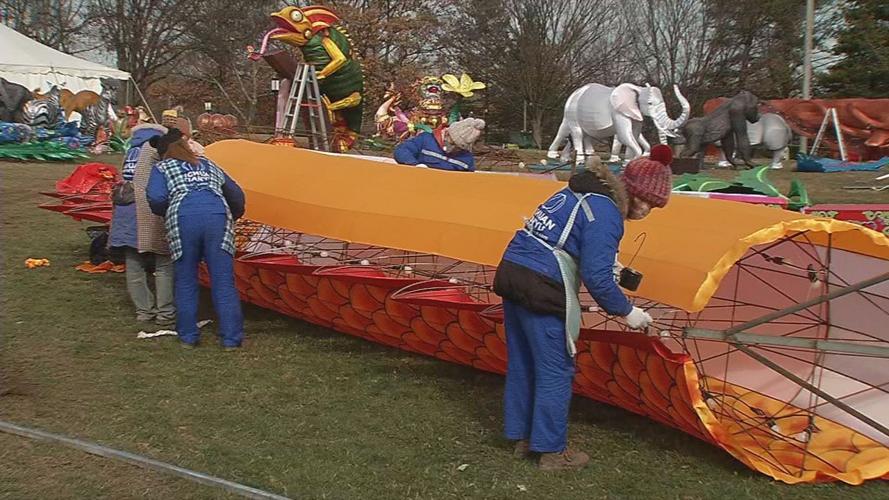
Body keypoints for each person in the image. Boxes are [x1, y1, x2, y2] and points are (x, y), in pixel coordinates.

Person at [492, 145, 674, 471]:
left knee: (523, 360)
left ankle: (521, 436)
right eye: (644, 199)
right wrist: (628, 312)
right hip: (542, 285)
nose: (646, 209)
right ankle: (551, 451)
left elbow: (566, 236)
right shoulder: (607, 214)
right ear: (628, 189)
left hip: (513, 270)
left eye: (654, 205)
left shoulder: (578, 192)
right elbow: (597, 279)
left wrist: (609, 263)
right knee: (555, 368)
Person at [146, 128, 246, 349]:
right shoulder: (209, 165)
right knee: (223, 280)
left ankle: (188, 336)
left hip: (183, 219)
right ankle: (231, 338)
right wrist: (234, 215)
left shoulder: (162, 168)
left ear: (164, 153)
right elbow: (236, 194)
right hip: (218, 218)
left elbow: (156, 197)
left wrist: (166, 211)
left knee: (186, 278)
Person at [109, 123, 175, 326]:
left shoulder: (131, 150)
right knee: (163, 261)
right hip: (149, 211)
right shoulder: (157, 148)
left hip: (125, 212)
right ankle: (165, 313)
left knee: (134, 261)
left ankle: (144, 311)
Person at [393, 117, 485, 171]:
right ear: (447, 133)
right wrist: (414, 165)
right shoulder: (426, 139)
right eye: (453, 143)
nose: (454, 148)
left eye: (459, 147)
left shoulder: (466, 159)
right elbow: (402, 150)